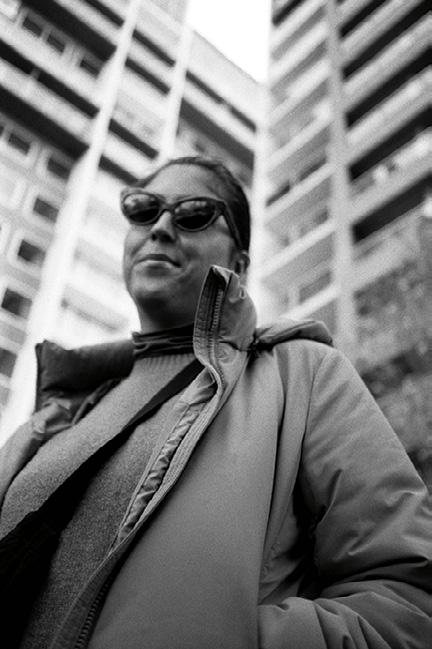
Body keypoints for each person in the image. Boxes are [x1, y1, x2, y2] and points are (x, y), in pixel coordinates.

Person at [0, 156, 431, 649]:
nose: (160, 227)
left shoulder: (302, 374)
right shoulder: (57, 415)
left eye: (193, 214)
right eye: (143, 209)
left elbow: (406, 600)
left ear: (239, 264)